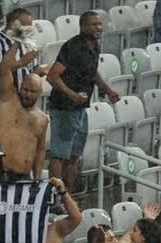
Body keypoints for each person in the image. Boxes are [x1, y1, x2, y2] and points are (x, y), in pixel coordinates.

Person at [47, 12, 118, 190]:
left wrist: (107, 90)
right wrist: (72, 95)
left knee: (74, 156)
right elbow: (52, 76)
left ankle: (67, 196)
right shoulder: (72, 47)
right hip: (64, 108)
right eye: (94, 25)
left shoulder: (94, 46)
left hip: (80, 109)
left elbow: (92, 71)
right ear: (83, 27)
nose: (98, 28)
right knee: (59, 155)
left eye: (99, 24)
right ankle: (54, 197)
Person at [0, 35, 49, 181]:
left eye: (32, 92)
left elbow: (40, 151)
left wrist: (36, 179)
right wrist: (17, 41)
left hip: (24, 177)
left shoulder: (42, 119)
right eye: (25, 90)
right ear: (20, 87)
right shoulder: (8, 100)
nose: (27, 95)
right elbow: (4, 69)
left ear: (40, 93)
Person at [0, 8, 41, 139]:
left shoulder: (29, 44)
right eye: (27, 26)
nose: (30, 29)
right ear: (15, 25)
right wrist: (20, 62)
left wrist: (45, 70)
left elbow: (33, 70)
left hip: (21, 109)